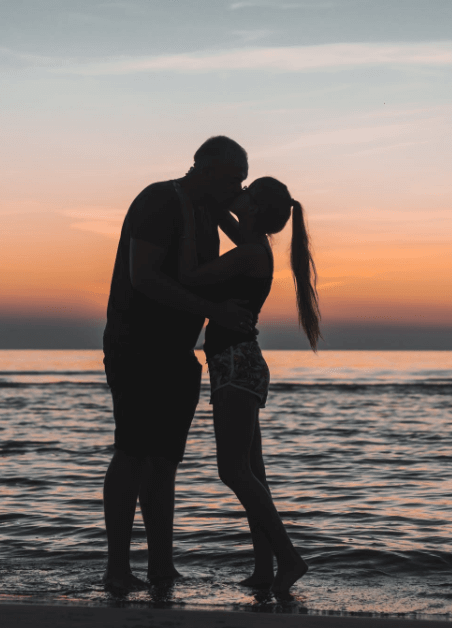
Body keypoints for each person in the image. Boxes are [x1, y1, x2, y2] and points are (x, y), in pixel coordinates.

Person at [102, 136, 256, 590]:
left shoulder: (207, 214)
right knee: (132, 450)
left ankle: (161, 566)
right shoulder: (158, 200)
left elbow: (249, 242)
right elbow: (143, 276)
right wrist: (214, 312)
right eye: (231, 180)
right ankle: (117, 569)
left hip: (177, 352)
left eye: (242, 183)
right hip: (136, 345)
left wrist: (237, 208)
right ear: (204, 169)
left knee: (164, 461)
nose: (236, 189)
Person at [175, 176, 320, 593]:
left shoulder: (249, 255)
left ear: (253, 208)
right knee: (252, 472)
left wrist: (186, 216)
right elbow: (228, 217)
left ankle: (289, 560)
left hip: (236, 364)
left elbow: (190, 276)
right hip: (241, 364)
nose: (236, 193)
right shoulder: (255, 247)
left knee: (233, 469)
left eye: (244, 190)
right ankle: (263, 569)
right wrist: (204, 192)